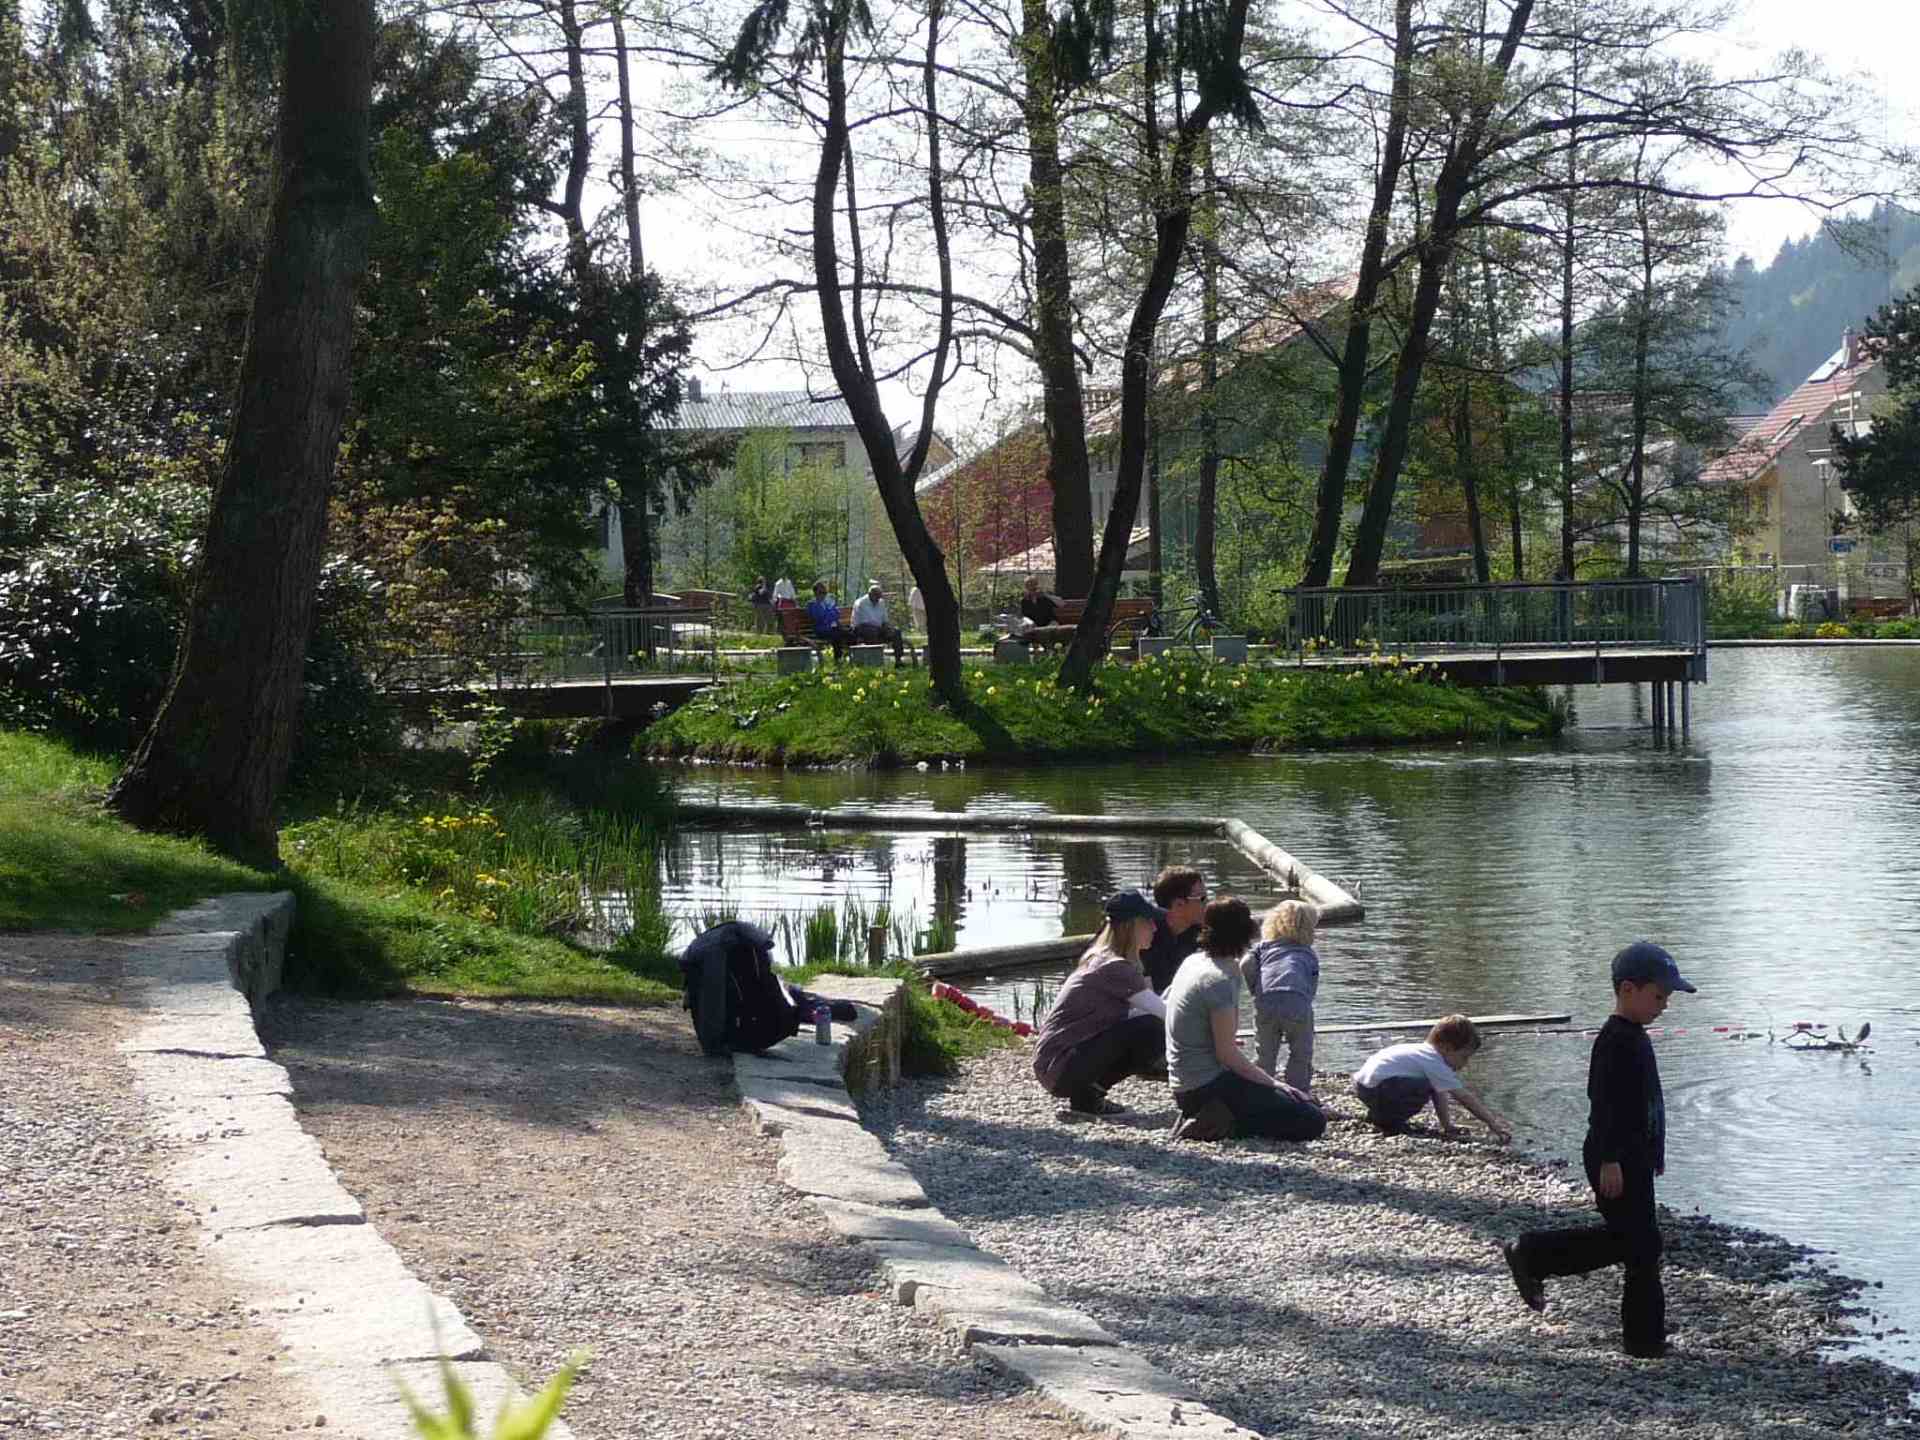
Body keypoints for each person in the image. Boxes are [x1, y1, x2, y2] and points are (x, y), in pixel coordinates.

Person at [1501, 943, 1697, 1360]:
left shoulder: (1635, 1035)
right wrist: (1610, 1159)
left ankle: (1536, 1257)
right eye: (1658, 996)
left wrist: (1654, 1154)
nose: (1664, 1005)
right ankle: (1642, 1340)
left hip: (1633, 1156)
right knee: (1640, 1245)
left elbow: (1645, 1104)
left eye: (1667, 998)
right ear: (1628, 990)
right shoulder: (1614, 1041)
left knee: (1634, 1243)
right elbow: (1604, 1103)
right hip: (1614, 1157)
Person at [1164, 897, 1328, 1143]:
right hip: (1206, 1086)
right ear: (1246, 933)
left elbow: (1184, 1015)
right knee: (1313, 1120)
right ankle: (1217, 1121)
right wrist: (1276, 1084)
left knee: (1286, 1099)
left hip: (1183, 1083)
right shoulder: (1219, 979)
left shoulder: (1194, 961)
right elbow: (1227, 1055)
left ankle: (1216, 1114)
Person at [1031, 889, 1169, 1119]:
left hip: (1054, 1065)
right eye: (1149, 922)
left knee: (1146, 1026)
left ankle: (1087, 1098)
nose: (1155, 928)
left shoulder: (1100, 956)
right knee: (1152, 1028)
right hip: (1059, 1067)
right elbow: (1166, 1014)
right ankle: (1087, 1095)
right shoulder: (1115, 966)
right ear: (1130, 926)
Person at [1352, 1015, 1512, 1142]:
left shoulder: (1421, 1052)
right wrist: (1492, 1123)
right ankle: (1389, 1122)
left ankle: (1380, 1114)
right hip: (1381, 1089)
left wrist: (1447, 1126)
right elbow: (1464, 1097)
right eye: (1464, 1057)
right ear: (1447, 1048)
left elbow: (1439, 1093)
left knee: (1428, 1086)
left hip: (1362, 1086)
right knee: (1421, 1088)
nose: (1465, 1063)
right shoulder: (1433, 1061)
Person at [1245, 899, 1321, 1096]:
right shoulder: (1308, 953)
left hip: (1266, 1001)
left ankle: (1260, 1091)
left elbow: (1245, 965)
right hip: (1297, 1002)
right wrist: (1304, 1003)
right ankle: (1299, 1093)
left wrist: (1255, 990)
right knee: (1301, 1052)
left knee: (1265, 1052)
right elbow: (1311, 985)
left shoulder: (1263, 948)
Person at [1140, 865, 1207, 994]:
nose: (1207, 904)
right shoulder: (1143, 936)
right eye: (1202, 899)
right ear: (1178, 904)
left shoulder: (1205, 934)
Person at [850, 580, 906, 663]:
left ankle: (899, 660)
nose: (878, 599)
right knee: (872, 631)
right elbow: (864, 622)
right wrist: (880, 628)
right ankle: (876, 661)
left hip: (878, 628)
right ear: (870, 595)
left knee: (896, 632)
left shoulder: (881, 602)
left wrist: (888, 627)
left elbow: (885, 620)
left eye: (879, 597)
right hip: (861, 629)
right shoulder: (861, 603)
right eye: (876, 597)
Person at [805, 580, 849, 660]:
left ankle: (852, 657)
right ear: (815, 593)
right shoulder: (811, 605)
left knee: (850, 633)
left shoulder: (829, 602)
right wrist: (829, 615)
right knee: (837, 635)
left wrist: (828, 615)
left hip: (833, 628)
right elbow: (818, 617)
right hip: (821, 630)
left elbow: (837, 614)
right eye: (821, 592)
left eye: (825, 592)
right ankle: (838, 660)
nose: (823, 595)